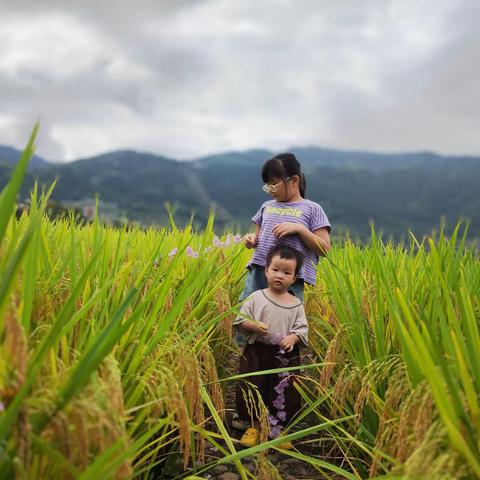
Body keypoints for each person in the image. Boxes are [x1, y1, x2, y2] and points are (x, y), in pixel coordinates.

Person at [232, 152, 331, 433]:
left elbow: (324, 247)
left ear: (294, 180)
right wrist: (251, 240)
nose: (272, 189)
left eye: (275, 183)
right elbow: (257, 235)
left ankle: (280, 404)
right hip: (260, 273)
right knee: (251, 329)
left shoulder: (312, 209)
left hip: (290, 280)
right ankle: (250, 400)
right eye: (268, 185)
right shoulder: (266, 206)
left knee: (282, 336)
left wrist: (300, 229)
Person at [233, 245, 308, 449]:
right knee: (253, 386)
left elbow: (301, 329)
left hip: (285, 356)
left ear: (294, 278)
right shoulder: (256, 298)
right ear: (266, 270)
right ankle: (255, 426)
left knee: (283, 392)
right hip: (257, 351)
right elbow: (240, 321)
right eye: (275, 270)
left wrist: (293, 338)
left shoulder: (295, 304)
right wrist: (254, 325)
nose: (279, 276)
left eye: (286, 272)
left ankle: (278, 429)